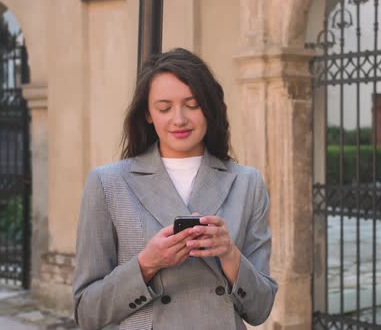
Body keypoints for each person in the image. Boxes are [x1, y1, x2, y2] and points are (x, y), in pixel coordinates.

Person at [72, 48, 277, 330]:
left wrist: (229, 254)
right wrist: (147, 263)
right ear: (147, 113)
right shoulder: (108, 184)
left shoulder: (247, 183)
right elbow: (86, 312)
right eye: (164, 108)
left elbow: (261, 309)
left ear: (210, 107)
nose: (179, 119)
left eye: (192, 105)